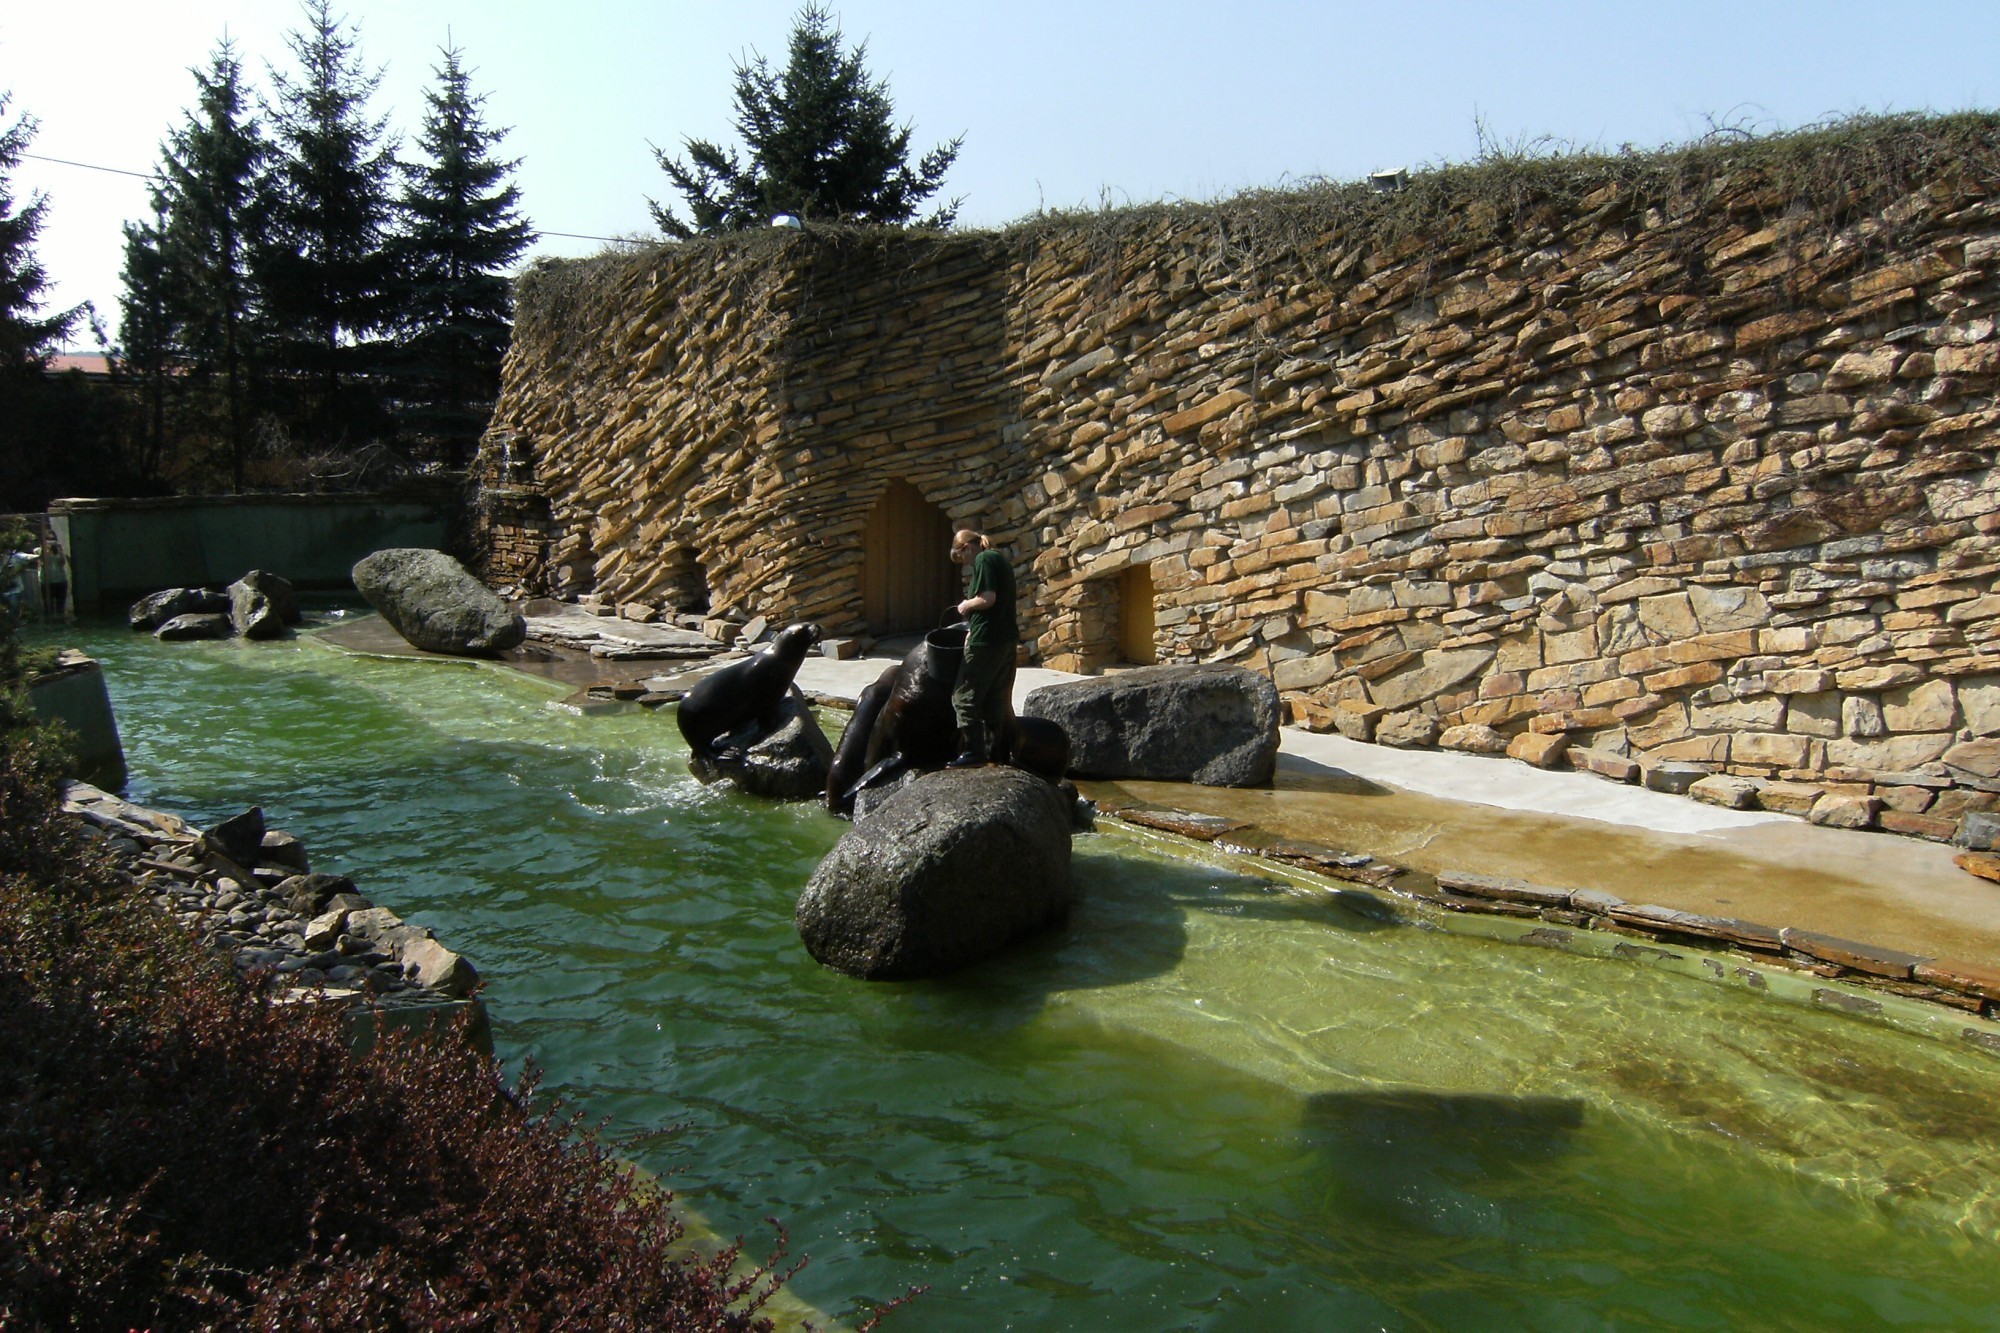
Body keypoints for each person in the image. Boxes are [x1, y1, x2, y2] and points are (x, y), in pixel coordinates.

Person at [947, 528, 1019, 768]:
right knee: (993, 697)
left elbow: (988, 599)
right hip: (1005, 639)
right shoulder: (999, 558)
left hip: (986, 641)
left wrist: (966, 605)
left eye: (961, 557)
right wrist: (972, 628)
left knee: (963, 697)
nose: (965, 563)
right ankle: (994, 752)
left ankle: (973, 753)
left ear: (967, 547)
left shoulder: (984, 559)